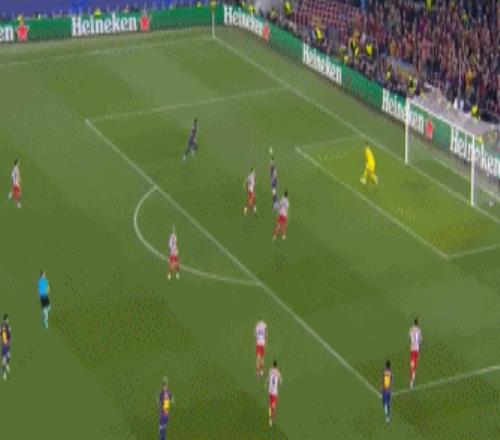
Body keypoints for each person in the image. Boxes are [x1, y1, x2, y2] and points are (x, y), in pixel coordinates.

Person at [267, 359, 282, 427]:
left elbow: (268, 380)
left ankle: (270, 419)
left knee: (270, 406)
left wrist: (266, 385)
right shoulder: (278, 373)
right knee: (274, 405)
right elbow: (280, 382)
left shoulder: (270, 371)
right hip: (274, 392)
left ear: (272, 364)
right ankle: (273, 417)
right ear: (276, 365)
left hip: (270, 391)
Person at [409, 318, 422, 388]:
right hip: (417, 349)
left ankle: (411, 381)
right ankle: (413, 378)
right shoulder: (419, 330)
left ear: (414, 323)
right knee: (415, 365)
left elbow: (410, 337)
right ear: (418, 323)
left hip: (412, 349)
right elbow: (420, 340)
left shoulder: (411, 329)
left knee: (412, 365)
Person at [1, 315, 11, 381]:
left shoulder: (7, 325)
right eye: (7, 319)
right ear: (5, 319)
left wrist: (9, 330)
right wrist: (6, 343)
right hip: (5, 345)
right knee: (4, 359)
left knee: (9, 356)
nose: (8, 320)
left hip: (8, 344)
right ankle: (4, 374)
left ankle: (7, 365)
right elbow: (3, 335)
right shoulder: (3, 326)